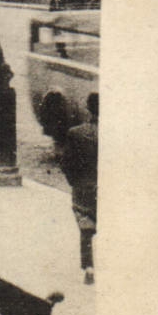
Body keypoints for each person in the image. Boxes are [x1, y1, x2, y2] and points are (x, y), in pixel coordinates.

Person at [60, 92, 99, 283]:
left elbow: (66, 163)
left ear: (88, 109)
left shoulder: (76, 133)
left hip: (84, 188)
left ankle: (89, 266)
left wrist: (75, 182)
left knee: (86, 225)